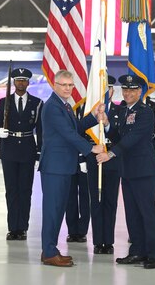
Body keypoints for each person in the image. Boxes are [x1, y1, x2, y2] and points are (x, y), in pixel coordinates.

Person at [38, 69, 105, 267]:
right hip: (55, 167)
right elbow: (68, 134)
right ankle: (49, 252)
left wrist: (93, 115)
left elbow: (75, 127)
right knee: (52, 210)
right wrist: (91, 148)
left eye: (70, 85)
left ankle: (50, 249)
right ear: (54, 85)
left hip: (63, 166)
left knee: (58, 210)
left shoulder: (63, 106)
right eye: (64, 85)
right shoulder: (52, 107)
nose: (68, 88)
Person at [96, 74, 155, 269]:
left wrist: (111, 154)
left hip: (143, 171)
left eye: (132, 90)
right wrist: (107, 123)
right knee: (132, 214)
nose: (127, 93)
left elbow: (134, 138)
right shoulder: (125, 111)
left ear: (140, 92)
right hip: (128, 170)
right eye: (125, 90)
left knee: (147, 212)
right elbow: (119, 135)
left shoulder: (145, 112)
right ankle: (137, 252)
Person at [0, 67, 43, 241]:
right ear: (14, 82)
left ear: (28, 83)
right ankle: (12, 228)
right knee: (11, 190)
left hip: (28, 150)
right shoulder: (4, 102)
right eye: (18, 80)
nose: (21, 83)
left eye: (24, 80)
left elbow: (41, 130)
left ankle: (22, 227)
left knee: (25, 190)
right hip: (9, 150)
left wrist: (39, 153)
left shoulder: (37, 103)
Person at [86, 75, 121, 255]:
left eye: (107, 89)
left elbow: (120, 137)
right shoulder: (90, 111)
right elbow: (82, 134)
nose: (105, 93)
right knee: (96, 202)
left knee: (110, 202)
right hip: (94, 161)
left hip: (113, 162)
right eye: (101, 90)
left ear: (113, 91)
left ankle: (109, 241)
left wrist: (106, 124)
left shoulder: (120, 110)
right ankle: (98, 241)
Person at [65, 103, 90, 244]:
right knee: (70, 195)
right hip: (70, 156)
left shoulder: (91, 104)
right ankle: (72, 230)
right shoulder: (68, 107)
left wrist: (84, 156)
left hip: (87, 157)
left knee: (85, 196)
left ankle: (82, 230)